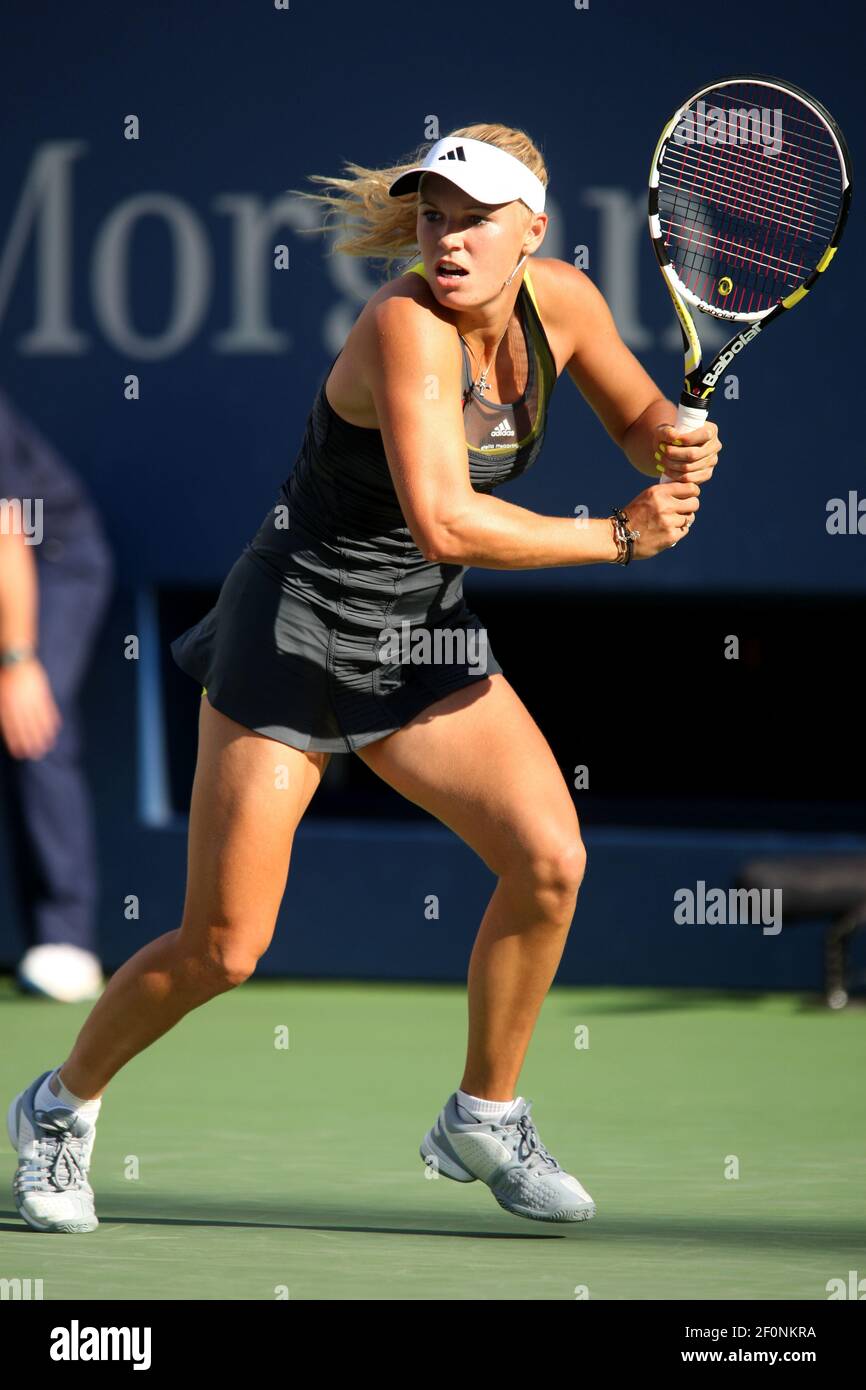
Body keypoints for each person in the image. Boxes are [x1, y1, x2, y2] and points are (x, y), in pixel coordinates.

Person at [7, 123, 721, 1233]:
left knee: (547, 859)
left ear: (533, 230)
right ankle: (59, 1106)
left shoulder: (563, 303)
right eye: (430, 214)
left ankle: (485, 1113)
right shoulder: (401, 326)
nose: (443, 238)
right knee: (223, 948)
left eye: (473, 217)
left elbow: (635, 421)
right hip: (289, 639)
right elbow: (442, 520)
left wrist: (673, 440)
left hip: (416, 645)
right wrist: (616, 540)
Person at [0, 389, 113, 1005]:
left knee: (31, 724)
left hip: (50, 562)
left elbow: (7, 534)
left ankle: (64, 940)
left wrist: (18, 663)